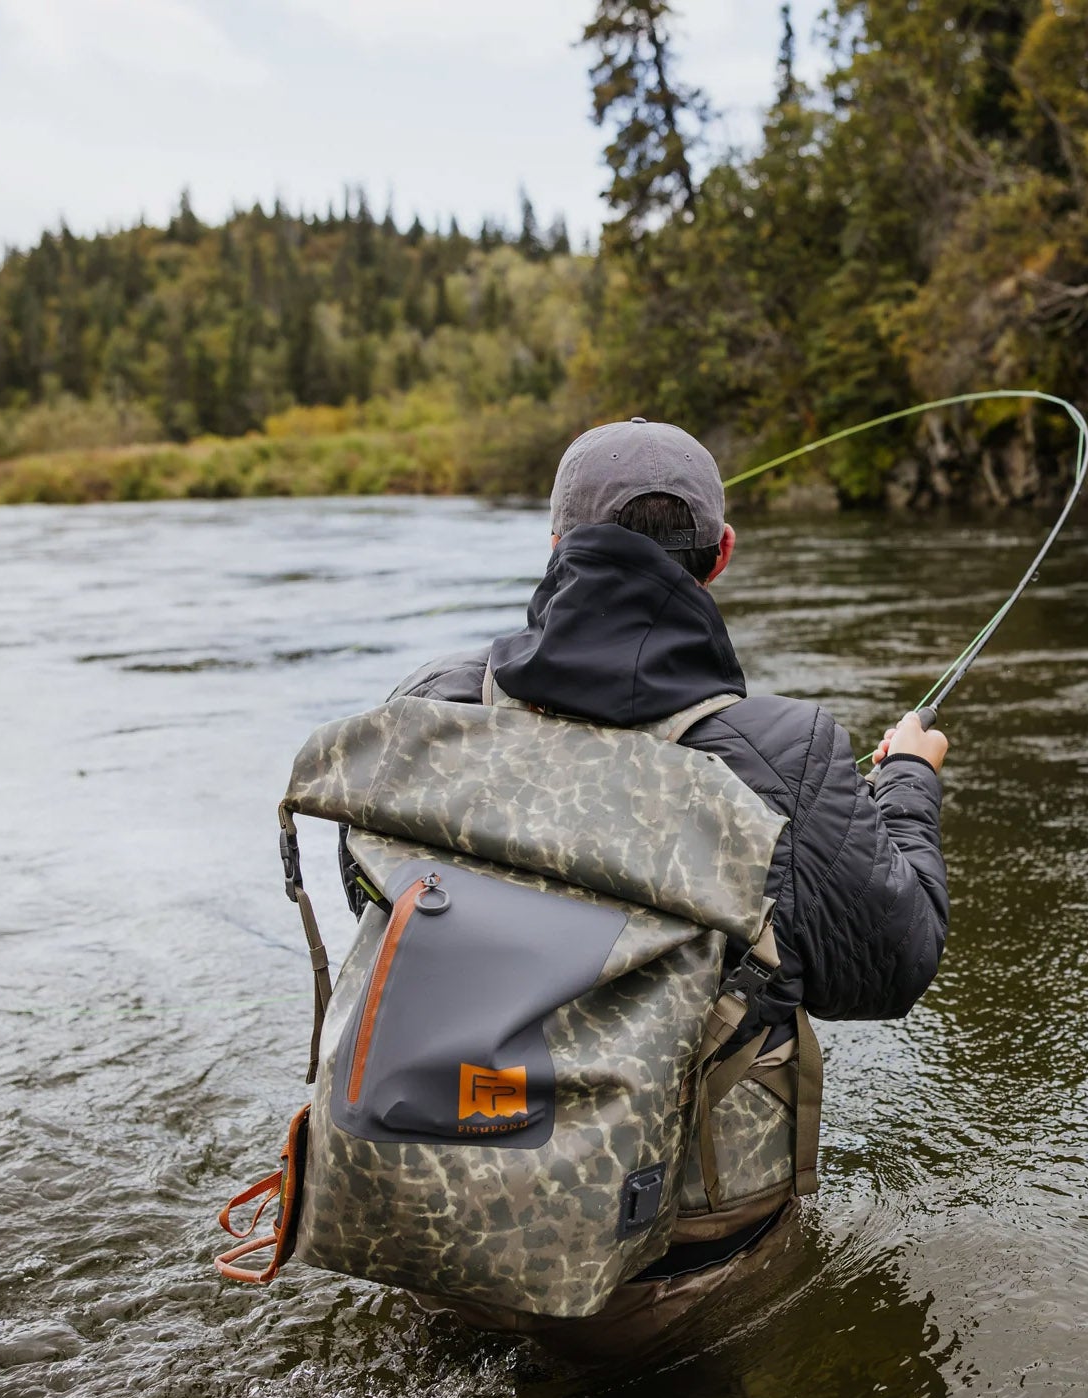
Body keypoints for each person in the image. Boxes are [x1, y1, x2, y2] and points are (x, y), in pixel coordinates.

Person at [390, 416, 949, 1348]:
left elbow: (378, 903)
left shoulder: (432, 706)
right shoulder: (785, 754)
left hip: (443, 1220)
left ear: (556, 545)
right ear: (719, 556)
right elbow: (891, 968)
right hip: (670, 1273)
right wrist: (906, 784)